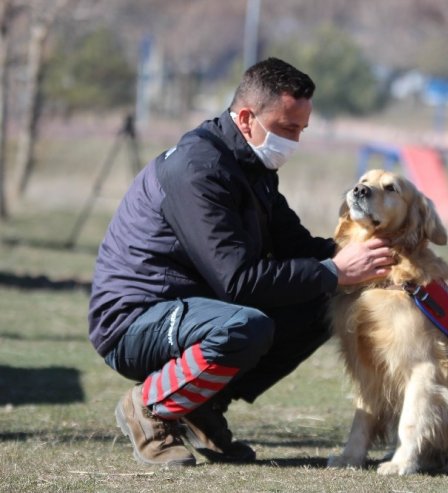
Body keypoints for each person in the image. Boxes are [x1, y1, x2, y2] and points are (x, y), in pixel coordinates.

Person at [88, 57, 394, 467]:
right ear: (247, 117)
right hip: (134, 320)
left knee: (326, 301)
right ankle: (150, 407)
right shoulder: (198, 170)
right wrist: (335, 272)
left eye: (301, 130)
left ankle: (200, 406)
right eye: (288, 128)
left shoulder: (253, 166)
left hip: (196, 309)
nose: (295, 141)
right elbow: (239, 282)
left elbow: (297, 246)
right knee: (247, 324)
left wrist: (367, 259)